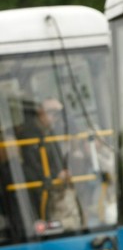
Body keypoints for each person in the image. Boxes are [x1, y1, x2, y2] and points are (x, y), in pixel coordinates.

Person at [17, 97, 83, 230]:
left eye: (59, 114)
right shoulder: (29, 134)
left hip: (55, 183)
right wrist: (55, 176)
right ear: (41, 112)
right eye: (53, 113)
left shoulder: (51, 131)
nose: (56, 118)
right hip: (38, 188)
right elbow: (33, 165)